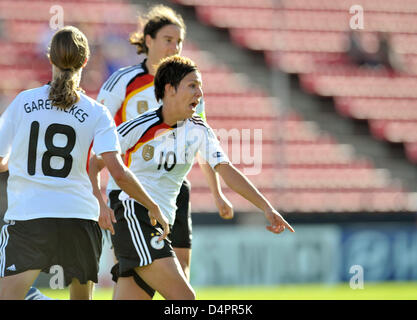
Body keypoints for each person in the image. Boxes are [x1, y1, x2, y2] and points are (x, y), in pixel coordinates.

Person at [89, 55, 295, 300]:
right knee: (186, 300)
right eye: (192, 85)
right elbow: (94, 163)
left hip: (160, 222)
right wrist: (99, 204)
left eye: (200, 86)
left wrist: (266, 208)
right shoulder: (138, 127)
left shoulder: (199, 130)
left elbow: (226, 170)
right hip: (134, 215)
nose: (199, 93)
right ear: (170, 89)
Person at [0, 26, 169, 300]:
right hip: (79, 218)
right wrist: (153, 206)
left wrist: (16, 161)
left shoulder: (23, 102)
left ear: (50, 58)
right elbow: (119, 173)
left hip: (30, 217)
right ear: (86, 61)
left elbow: (0, 161)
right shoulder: (97, 112)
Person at [95, 5, 233, 299]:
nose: (175, 46)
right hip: (132, 192)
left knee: (180, 271)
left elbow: (202, 142)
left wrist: (218, 192)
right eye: (168, 39)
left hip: (173, 190)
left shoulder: (189, 87)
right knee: (137, 270)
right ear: (148, 40)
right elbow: (99, 132)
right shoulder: (123, 80)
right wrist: (96, 194)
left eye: (179, 41)